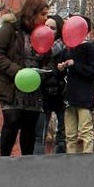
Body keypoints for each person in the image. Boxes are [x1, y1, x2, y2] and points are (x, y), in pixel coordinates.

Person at [0, 0, 48, 157]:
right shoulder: (10, 29)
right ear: (32, 14)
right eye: (43, 14)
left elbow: (47, 57)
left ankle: (26, 162)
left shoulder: (42, 33)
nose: (46, 18)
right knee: (12, 120)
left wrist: (47, 69)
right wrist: (16, 71)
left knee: (29, 125)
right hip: (12, 85)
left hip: (33, 85)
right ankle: (4, 158)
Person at [59, 14, 94, 154]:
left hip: (84, 96)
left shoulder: (88, 47)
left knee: (86, 130)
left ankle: (87, 155)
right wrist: (60, 67)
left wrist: (75, 64)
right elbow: (58, 71)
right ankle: (71, 158)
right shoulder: (67, 50)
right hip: (69, 97)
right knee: (69, 134)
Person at [34, 13, 67, 153]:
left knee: (63, 134)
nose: (48, 30)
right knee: (39, 133)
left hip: (61, 93)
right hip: (42, 93)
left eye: (52, 28)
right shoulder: (36, 48)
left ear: (59, 31)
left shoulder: (66, 48)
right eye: (46, 26)